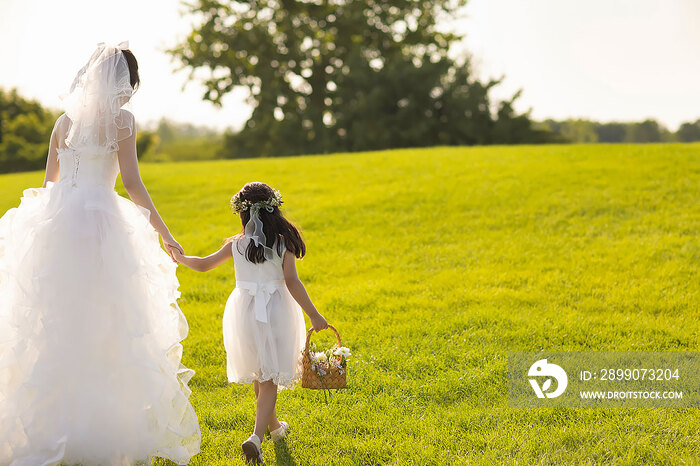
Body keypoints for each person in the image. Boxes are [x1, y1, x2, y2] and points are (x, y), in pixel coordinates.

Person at [0, 42, 200, 465]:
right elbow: (133, 184)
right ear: (122, 84)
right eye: (128, 84)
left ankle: (50, 423)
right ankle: (95, 425)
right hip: (99, 227)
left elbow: (49, 181)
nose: (128, 93)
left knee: (53, 323)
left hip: (55, 224)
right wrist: (164, 233)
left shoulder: (63, 121)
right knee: (105, 325)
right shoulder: (122, 121)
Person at [172, 181, 328, 465]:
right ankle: (255, 438)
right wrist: (314, 315)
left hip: (244, 312)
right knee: (268, 379)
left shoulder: (237, 244)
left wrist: (181, 259)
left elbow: (204, 264)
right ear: (274, 210)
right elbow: (292, 282)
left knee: (261, 375)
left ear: (244, 214)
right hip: (276, 310)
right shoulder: (283, 243)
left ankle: (276, 428)